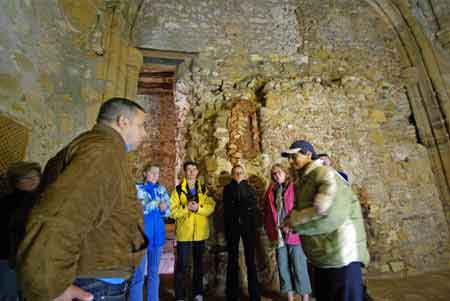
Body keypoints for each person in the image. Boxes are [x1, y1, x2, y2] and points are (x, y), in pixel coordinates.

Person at [15, 97, 148, 301]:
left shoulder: (100, 147)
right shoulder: (103, 151)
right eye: (141, 125)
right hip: (94, 284)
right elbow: (63, 213)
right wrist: (51, 286)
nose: (144, 133)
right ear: (123, 121)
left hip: (96, 277)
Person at [281, 140, 369, 301]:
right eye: (289, 158)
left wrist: (295, 222)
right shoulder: (304, 180)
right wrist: (291, 220)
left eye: (294, 156)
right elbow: (305, 209)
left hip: (341, 255)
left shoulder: (324, 173)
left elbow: (330, 214)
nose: (291, 161)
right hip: (324, 256)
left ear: (308, 154)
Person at [263, 163, 311, 301]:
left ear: (285, 173)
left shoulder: (294, 188)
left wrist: (292, 225)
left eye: (279, 172)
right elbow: (266, 212)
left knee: (299, 266)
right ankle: (290, 298)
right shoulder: (271, 191)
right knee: (283, 267)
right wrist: (270, 229)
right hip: (279, 236)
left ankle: (304, 298)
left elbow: (301, 209)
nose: (276, 175)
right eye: (273, 173)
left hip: (294, 233)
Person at [170, 161, 215, 301]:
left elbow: (211, 207)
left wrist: (198, 208)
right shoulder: (177, 191)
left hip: (200, 234)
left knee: (198, 265)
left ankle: (197, 293)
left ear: (197, 172)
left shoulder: (203, 189)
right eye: (188, 170)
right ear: (185, 172)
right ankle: (180, 296)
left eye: (193, 169)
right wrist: (186, 208)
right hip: (184, 234)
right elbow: (172, 212)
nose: (191, 172)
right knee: (182, 266)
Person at [129, 163, 171, 301]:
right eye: (152, 172)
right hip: (141, 237)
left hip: (157, 236)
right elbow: (137, 209)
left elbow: (168, 212)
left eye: (157, 173)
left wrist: (164, 208)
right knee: (138, 274)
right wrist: (157, 204)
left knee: (154, 272)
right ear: (145, 173)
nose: (155, 175)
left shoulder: (161, 189)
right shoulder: (137, 189)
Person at [0, 161, 41, 300]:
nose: (35, 180)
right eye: (29, 177)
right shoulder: (14, 202)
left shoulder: (38, 201)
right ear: (17, 180)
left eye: (36, 177)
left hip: (16, 259)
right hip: (11, 258)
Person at [223, 165, 261, 301]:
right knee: (232, 259)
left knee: (250, 260)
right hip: (232, 228)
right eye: (235, 173)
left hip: (248, 228)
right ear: (232, 175)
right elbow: (227, 210)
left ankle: (255, 295)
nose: (238, 175)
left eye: (240, 173)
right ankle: (232, 295)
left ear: (244, 174)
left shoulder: (250, 189)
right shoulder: (227, 189)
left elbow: (253, 208)